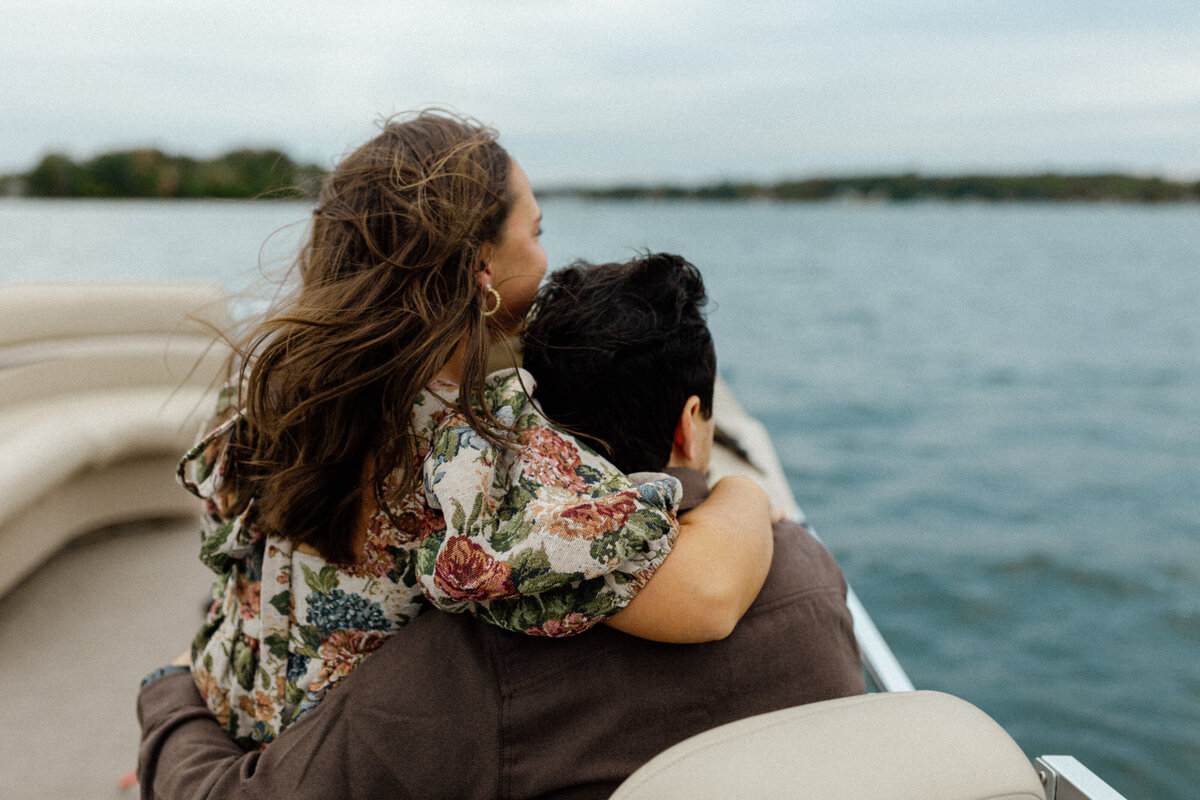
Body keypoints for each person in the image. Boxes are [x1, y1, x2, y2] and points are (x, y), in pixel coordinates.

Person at [137, 253, 865, 799]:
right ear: (690, 424)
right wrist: (741, 493)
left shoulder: (482, 639)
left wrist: (171, 689)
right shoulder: (810, 574)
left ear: (540, 433)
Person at [166, 111, 775, 750]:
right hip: (331, 767)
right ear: (481, 263)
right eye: (537, 231)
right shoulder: (465, 454)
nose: (546, 255)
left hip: (238, 712)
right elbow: (708, 596)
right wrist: (740, 491)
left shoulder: (278, 391)